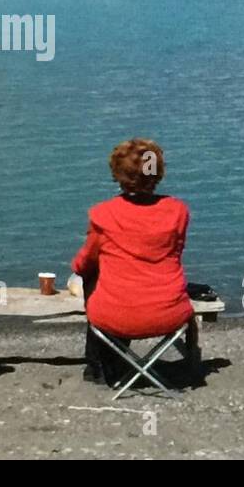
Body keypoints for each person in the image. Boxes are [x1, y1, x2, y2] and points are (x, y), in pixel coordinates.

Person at [72, 138, 193, 386]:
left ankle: (99, 365)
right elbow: (176, 253)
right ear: (157, 173)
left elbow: (83, 264)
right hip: (169, 314)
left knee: (91, 274)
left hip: (115, 316)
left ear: (118, 174)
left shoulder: (104, 214)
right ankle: (186, 361)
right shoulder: (177, 211)